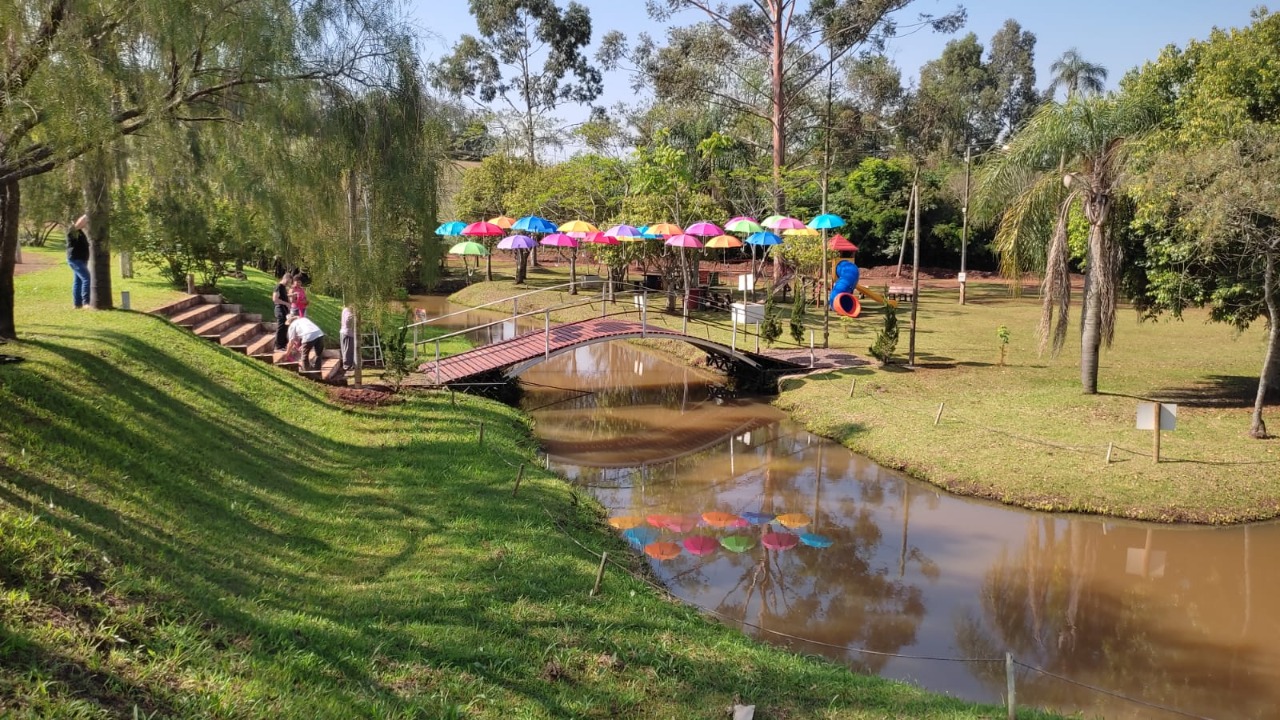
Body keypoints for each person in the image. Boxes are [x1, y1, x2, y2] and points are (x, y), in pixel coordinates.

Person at [66, 215, 91, 308]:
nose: (85, 223)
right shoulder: (73, 231)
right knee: (86, 278)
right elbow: (81, 221)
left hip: (81, 259)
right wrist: (87, 214)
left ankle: (77, 304)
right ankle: (86, 303)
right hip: (75, 260)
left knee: (78, 281)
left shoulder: (80, 232)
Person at [273, 272, 293, 350]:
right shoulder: (278, 286)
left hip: (285, 309)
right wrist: (286, 303)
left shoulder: (283, 287)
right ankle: (278, 345)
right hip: (279, 309)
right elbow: (275, 299)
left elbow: (283, 296)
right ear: (286, 278)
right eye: (289, 281)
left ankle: (283, 344)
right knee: (281, 326)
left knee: (285, 326)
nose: (289, 284)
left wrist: (290, 297)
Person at [340, 305, 356, 372]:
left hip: (347, 332)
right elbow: (347, 321)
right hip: (347, 333)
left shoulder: (346, 310)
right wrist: (355, 317)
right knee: (347, 350)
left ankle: (349, 365)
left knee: (349, 350)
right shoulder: (347, 310)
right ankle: (347, 366)